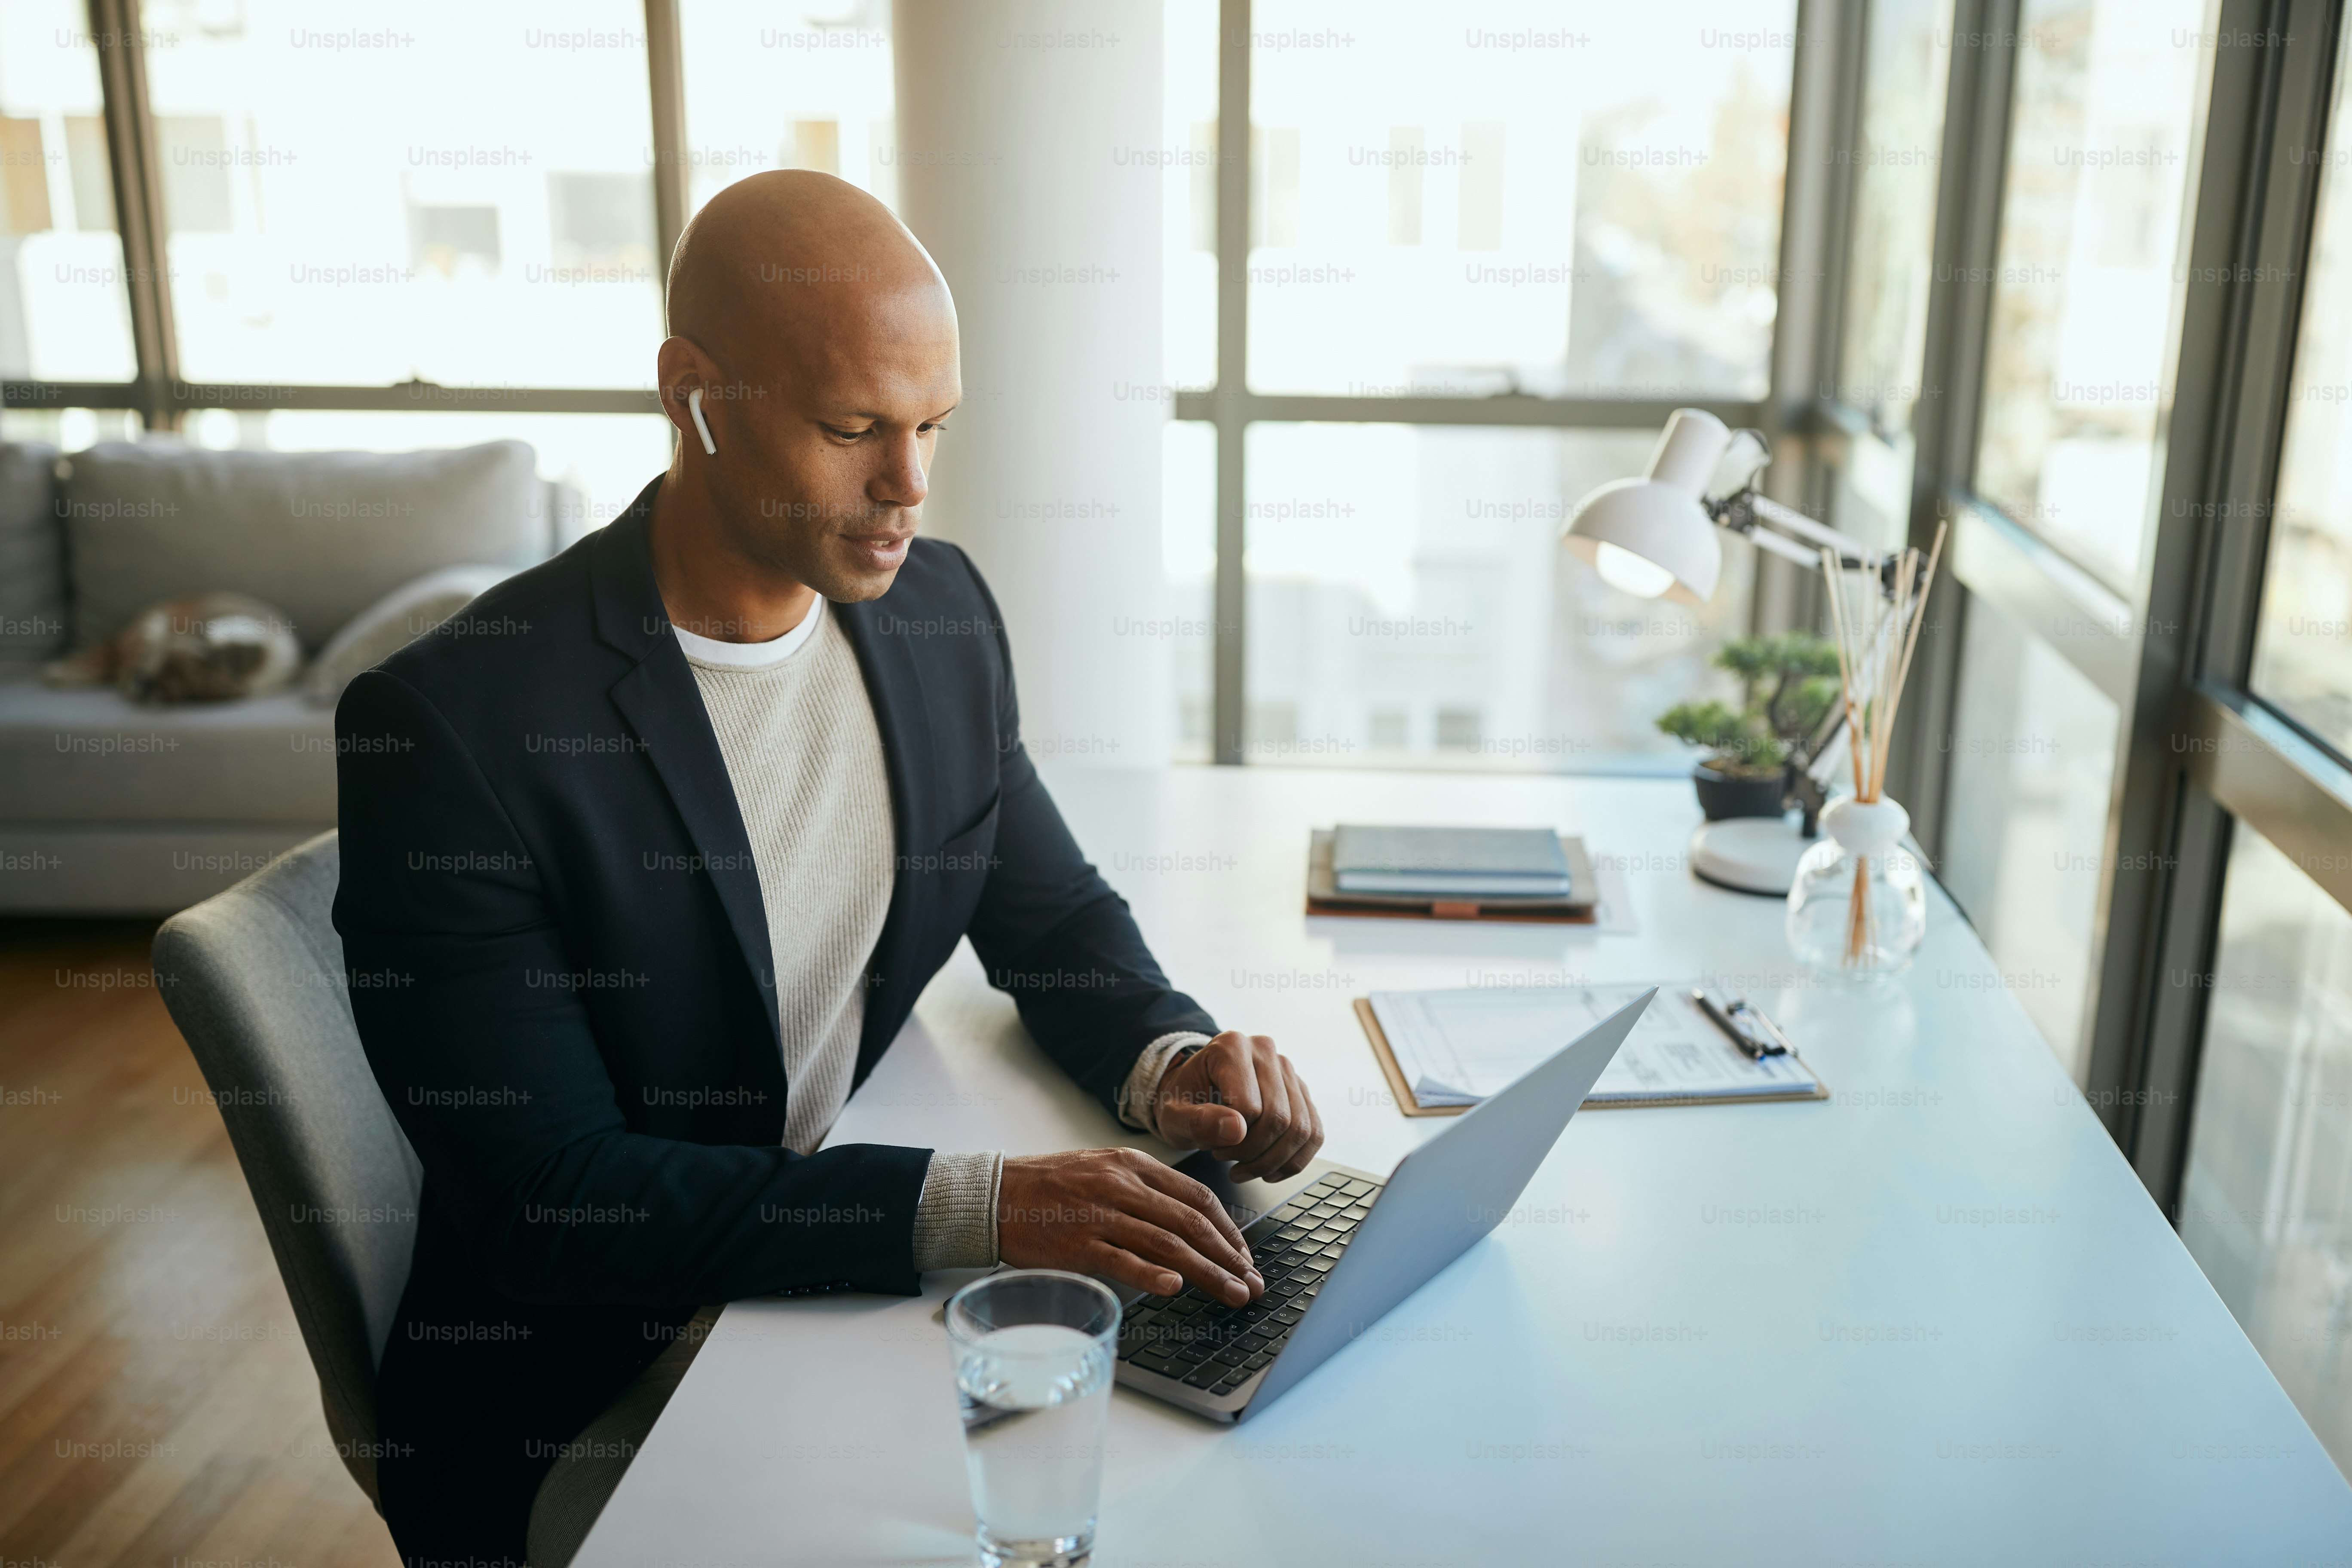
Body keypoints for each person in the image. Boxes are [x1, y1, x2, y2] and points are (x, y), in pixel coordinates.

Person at [333, 169, 1323, 1565]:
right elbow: (546, 1202)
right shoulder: (456, 727)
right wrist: (988, 1203)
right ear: (694, 394)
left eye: (931, 427)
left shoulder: (938, 614)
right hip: (596, 1372)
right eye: (853, 427)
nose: (906, 488)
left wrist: (1174, 1059)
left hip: (838, 1280)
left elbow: (1046, 914)